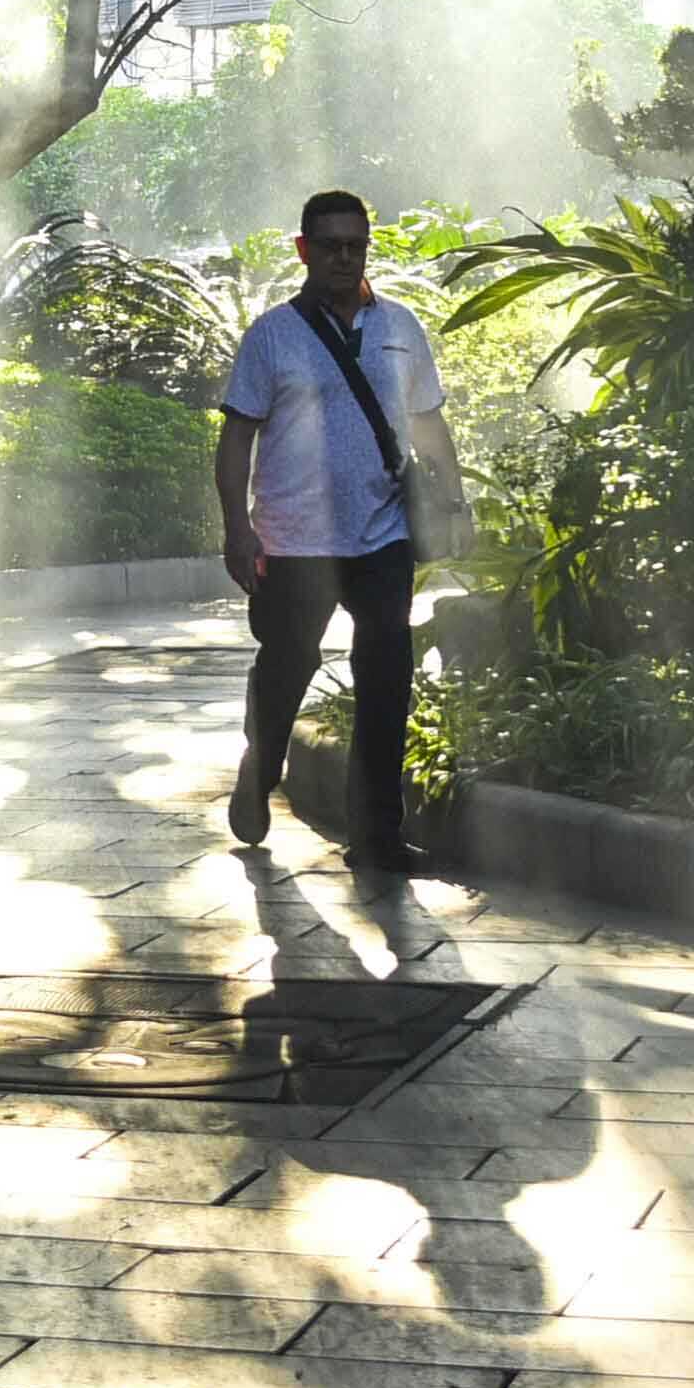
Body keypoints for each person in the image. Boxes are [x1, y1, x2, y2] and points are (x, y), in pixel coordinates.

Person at [214, 186, 466, 877]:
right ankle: (260, 764)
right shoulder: (273, 334)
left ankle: (377, 836)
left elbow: (428, 422)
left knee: (386, 677)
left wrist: (456, 501)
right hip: (293, 540)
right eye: (329, 245)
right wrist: (237, 526)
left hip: (381, 535)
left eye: (355, 245)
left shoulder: (400, 326)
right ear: (304, 250)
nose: (343, 257)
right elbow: (238, 436)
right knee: (287, 666)